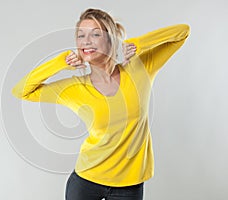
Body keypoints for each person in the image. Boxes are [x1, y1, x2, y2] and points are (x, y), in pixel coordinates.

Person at [11, 8, 190, 200]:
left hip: (129, 186)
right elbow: (20, 91)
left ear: (110, 39)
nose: (86, 41)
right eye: (81, 35)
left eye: (95, 34)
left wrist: (138, 44)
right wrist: (60, 62)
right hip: (86, 181)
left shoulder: (140, 69)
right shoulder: (74, 88)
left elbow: (182, 32)